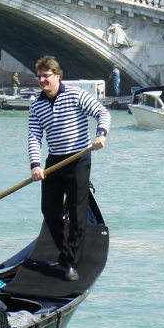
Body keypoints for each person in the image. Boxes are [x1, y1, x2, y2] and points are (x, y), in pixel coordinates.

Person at [28, 56, 109, 282]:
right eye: (40, 76)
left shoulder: (76, 95)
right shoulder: (36, 105)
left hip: (79, 158)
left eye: (46, 76)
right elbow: (34, 136)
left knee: (76, 212)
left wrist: (101, 134)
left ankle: (72, 261)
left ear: (58, 76)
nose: (42, 80)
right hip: (54, 161)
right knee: (49, 210)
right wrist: (35, 165)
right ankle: (65, 253)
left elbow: (102, 113)